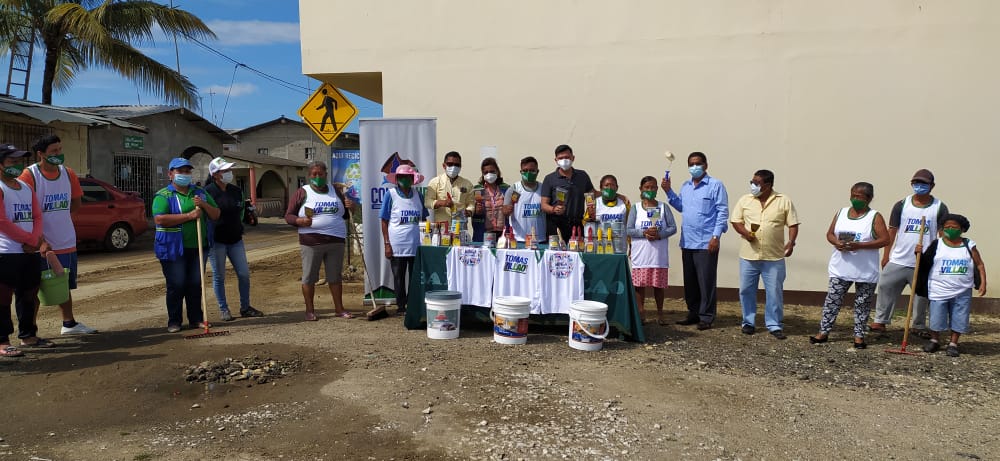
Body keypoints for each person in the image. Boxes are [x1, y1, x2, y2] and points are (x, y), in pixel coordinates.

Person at [18, 135, 96, 336]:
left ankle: (69, 323)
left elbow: (76, 203)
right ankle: (30, 331)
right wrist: (40, 239)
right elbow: (23, 210)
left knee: (62, 283)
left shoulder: (68, 173)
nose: (59, 154)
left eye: (60, 150)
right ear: (41, 154)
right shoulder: (29, 175)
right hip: (39, 244)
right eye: (54, 151)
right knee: (34, 288)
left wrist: (59, 221)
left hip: (65, 241)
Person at [809, 182, 890, 349]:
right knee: (832, 300)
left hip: (865, 270)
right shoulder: (841, 213)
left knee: (862, 303)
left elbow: (885, 240)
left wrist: (860, 245)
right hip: (840, 268)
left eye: (859, 196)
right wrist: (837, 242)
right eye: (853, 195)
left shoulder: (874, 217)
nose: (854, 199)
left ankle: (859, 336)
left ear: (869, 198)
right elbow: (830, 234)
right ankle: (823, 332)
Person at [870, 169, 949, 338]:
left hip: (923, 260)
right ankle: (880, 321)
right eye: (916, 183)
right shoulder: (901, 205)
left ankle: (918, 325)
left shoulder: (939, 207)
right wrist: (886, 255)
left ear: (932, 186)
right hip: (899, 258)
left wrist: (939, 257)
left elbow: (942, 235)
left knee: (921, 295)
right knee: (885, 286)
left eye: (924, 183)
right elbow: (892, 231)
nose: (919, 186)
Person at [661, 151, 729, 330]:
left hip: (706, 241)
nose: (694, 167)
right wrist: (668, 191)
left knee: (706, 281)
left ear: (706, 165)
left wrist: (716, 236)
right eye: (691, 164)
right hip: (688, 241)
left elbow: (722, 212)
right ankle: (693, 313)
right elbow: (681, 207)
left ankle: (706, 316)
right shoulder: (686, 186)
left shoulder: (715, 185)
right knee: (690, 281)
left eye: (698, 163)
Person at [152, 157, 220, 332]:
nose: (184, 174)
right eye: (180, 171)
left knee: (195, 284)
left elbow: (216, 214)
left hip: (198, 247)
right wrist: (189, 216)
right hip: (173, 249)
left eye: (187, 171)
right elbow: (160, 219)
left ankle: (196, 319)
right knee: (176, 284)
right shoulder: (164, 195)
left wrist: (203, 205)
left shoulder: (200, 193)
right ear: (170, 174)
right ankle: (174, 321)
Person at [731, 169, 799, 339]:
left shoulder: (783, 200)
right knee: (746, 290)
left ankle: (774, 324)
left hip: (773, 257)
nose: (752, 185)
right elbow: (736, 221)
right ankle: (748, 322)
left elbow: (793, 224)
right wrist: (746, 233)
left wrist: (791, 242)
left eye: (756, 183)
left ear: (767, 185)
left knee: (774, 292)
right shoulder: (745, 200)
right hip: (749, 256)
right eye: (752, 182)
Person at [285, 160, 354, 321]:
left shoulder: (335, 191)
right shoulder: (302, 192)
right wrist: (300, 221)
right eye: (314, 174)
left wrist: (351, 206)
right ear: (309, 176)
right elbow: (288, 216)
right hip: (311, 241)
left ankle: (339, 309)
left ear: (326, 174)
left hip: (336, 241)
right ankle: (310, 311)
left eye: (320, 174)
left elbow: (345, 214)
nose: (317, 177)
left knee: (335, 277)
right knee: (309, 277)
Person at [916, 214, 986, 357]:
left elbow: (979, 264)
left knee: (959, 317)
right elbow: (924, 263)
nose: (950, 230)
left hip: (962, 289)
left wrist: (983, 282)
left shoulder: (969, 245)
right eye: (947, 227)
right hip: (939, 288)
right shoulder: (937, 244)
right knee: (936, 316)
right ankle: (934, 340)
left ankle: (953, 344)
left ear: (962, 229)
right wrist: (918, 253)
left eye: (954, 227)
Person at [204, 157, 263, 322]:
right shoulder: (207, 192)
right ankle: (223, 309)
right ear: (215, 174)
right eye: (225, 170)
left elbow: (241, 211)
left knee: (244, 274)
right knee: (219, 276)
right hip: (217, 241)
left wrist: (245, 221)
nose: (229, 173)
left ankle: (245, 307)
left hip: (236, 239)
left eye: (229, 169)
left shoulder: (236, 191)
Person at [0, 143, 45, 356]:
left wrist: (34, 240)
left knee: (29, 294)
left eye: (19, 161)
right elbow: (2, 222)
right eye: (12, 161)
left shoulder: (26, 187)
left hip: (29, 252)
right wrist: (29, 239)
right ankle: (2, 341)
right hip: (6, 252)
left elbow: (37, 215)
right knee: (2, 298)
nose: (17, 165)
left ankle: (28, 336)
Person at [378, 164, 428, 320]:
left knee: (414, 277)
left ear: (413, 179)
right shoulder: (390, 195)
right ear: (397, 178)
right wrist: (387, 244)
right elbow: (384, 220)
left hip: (416, 244)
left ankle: (413, 304)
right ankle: (401, 306)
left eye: (408, 177)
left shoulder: (418, 195)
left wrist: (425, 240)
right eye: (402, 177)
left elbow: (423, 219)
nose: (405, 179)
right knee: (398, 277)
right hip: (397, 245)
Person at [626, 176, 676, 324]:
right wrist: (644, 233)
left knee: (658, 286)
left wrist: (659, 234)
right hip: (641, 254)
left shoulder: (663, 207)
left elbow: (673, 227)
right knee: (639, 286)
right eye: (647, 187)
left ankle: (660, 313)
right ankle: (641, 312)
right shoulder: (635, 208)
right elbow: (628, 229)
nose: (650, 190)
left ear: (657, 189)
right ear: (641, 189)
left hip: (658, 255)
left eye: (653, 187)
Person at [540, 144, 595, 240]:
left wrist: (617, 195)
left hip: (577, 224)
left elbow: (592, 194)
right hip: (556, 224)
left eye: (567, 157)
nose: (564, 160)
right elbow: (543, 205)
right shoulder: (549, 178)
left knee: (578, 249)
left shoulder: (582, 176)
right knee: (556, 250)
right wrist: (554, 209)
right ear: (556, 160)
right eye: (560, 158)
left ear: (573, 158)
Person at [502, 156, 545, 245]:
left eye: (532, 170)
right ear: (521, 172)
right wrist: (507, 210)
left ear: (537, 171)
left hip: (540, 239)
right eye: (525, 171)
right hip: (518, 239)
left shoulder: (543, 189)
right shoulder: (515, 189)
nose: (528, 173)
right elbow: (504, 211)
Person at [424, 151, 475, 226]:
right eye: (450, 164)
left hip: (460, 227)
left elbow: (471, 204)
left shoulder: (467, 184)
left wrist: (469, 211)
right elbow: (427, 202)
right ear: (444, 165)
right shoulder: (435, 182)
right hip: (441, 227)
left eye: (457, 165)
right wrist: (441, 203)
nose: (453, 167)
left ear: (460, 167)